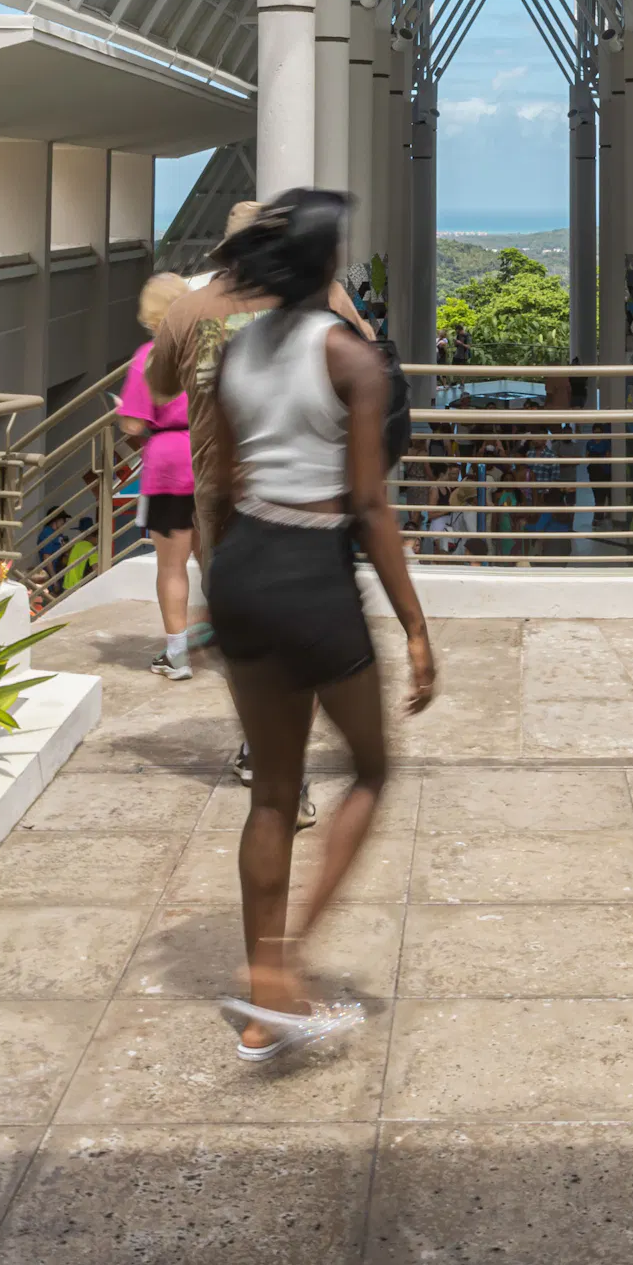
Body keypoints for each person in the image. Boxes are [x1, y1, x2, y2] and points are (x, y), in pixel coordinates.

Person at [148, 187, 438, 1061]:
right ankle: (284, 965)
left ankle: (258, 1001)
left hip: (242, 570)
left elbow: (227, 489)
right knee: (371, 768)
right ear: (325, 266)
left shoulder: (239, 353)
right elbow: (371, 508)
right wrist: (416, 630)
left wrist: (217, 598)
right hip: (312, 569)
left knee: (272, 792)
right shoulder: (351, 358)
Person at [117, 272, 206, 679]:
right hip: (210, 458)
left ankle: (176, 654)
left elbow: (134, 424)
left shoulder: (149, 358)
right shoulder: (209, 354)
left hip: (169, 465)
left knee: (171, 567)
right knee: (214, 558)